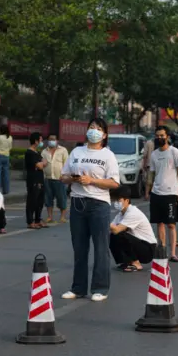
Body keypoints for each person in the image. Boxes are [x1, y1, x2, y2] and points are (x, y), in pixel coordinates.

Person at [60, 118, 120, 302]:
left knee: (101, 248)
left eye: (98, 128)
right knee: (79, 248)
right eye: (91, 127)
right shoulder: (77, 151)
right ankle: (78, 288)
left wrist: (91, 181)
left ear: (104, 135)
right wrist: (73, 178)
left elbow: (114, 182)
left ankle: (100, 288)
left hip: (99, 204)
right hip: (78, 202)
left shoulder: (107, 155)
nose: (94, 130)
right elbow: (63, 176)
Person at [146, 126, 178, 262]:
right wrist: (148, 190)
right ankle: (162, 251)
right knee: (159, 223)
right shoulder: (154, 154)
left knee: (171, 224)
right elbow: (151, 173)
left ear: (167, 136)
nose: (160, 138)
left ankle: (173, 253)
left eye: (162, 135)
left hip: (170, 193)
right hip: (156, 193)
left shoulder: (175, 152)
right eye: (157, 135)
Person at [109, 185, 157, 272]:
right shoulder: (120, 214)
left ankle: (136, 263)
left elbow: (116, 229)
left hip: (148, 248)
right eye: (115, 200)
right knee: (112, 236)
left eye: (118, 200)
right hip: (139, 244)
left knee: (119, 234)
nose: (116, 203)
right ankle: (126, 262)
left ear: (127, 200)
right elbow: (111, 228)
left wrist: (102, 219)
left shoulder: (133, 212)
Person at [41, 134, 69, 223]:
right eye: (49, 139)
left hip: (60, 179)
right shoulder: (44, 152)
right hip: (47, 178)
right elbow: (41, 164)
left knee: (61, 198)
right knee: (48, 198)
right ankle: (49, 216)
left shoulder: (63, 150)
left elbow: (66, 164)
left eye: (53, 139)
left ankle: (62, 216)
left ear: (57, 140)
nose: (51, 141)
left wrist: (64, 175)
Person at [24, 132, 47, 229]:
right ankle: (30, 221)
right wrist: (41, 164)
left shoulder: (37, 153)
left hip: (40, 179)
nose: (42, 142)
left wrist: (42, 163)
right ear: (36, 141)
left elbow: (45, 162)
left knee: (40, 201)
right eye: (40, 140)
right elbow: (40, 165)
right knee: (32, 200)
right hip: (33, 179)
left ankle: (38, 220)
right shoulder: (29, 153)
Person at [0, 124, 13, 194]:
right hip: (7, 155)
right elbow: (10, 147)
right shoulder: (10, 137)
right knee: (6, 173)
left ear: (1, 130)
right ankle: (6, 190)